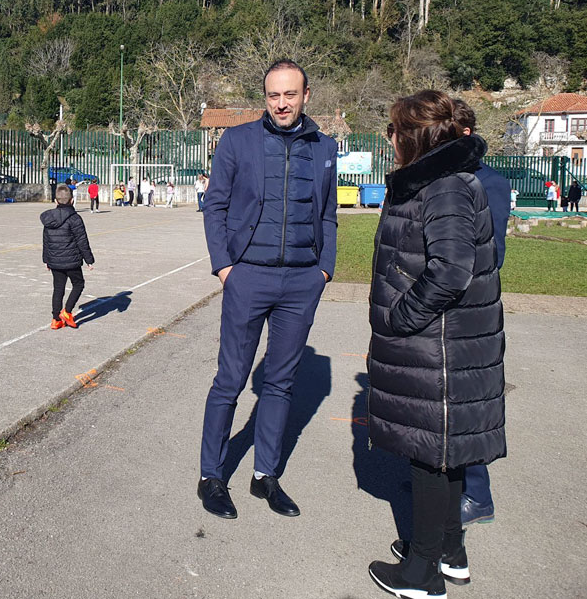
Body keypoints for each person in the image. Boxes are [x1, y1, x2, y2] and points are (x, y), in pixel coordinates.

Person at [366, 90, 505, 598]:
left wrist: (402, 317)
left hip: (438, 348)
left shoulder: (445, 186)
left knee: (428, 455)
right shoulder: (437, 182)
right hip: (440, 346)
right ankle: (448, 550)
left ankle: (422, 573)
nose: (390, 139)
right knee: (443, 455)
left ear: (414, 135)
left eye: (394, 131)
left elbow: (451, 271)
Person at [198, 59, 337, 521]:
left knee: (280, 383)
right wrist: (225, 268)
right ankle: (212, 476)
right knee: (231, 380)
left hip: (301, 281)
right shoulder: (237, 141)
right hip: (247, 277)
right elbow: (214, 205)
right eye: (274, 95)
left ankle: (265, 476)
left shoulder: (325, 148)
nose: (281, 103)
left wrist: (323, 272)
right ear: (266, 97)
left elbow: (328, 216)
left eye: (290, 95)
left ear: (306, 95)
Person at [453, 98, 510, 528]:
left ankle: (478, 495)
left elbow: (489, 254)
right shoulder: (452, 177)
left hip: (470, 308)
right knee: (448, 404)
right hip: (451, 306)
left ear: (466, 135)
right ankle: (449, 484)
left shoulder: (487, 182)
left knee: (468, 404)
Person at [41, 183, 95, 330]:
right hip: (72, 261)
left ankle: (55, 319)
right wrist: (89, 260)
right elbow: (82, 240)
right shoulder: (75, 218)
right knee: (78, 284)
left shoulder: (49, 219)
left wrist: (46, 259)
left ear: (55, 201)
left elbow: (46, 241)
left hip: (55, 261)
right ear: (72, 201)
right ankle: (67, 312)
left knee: (58, 289)